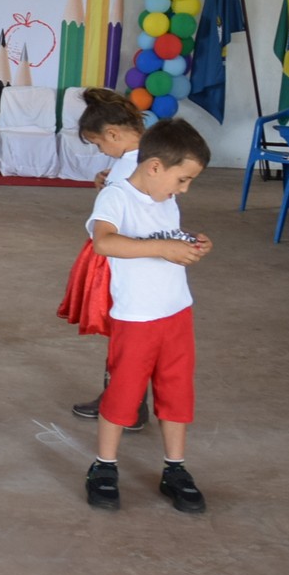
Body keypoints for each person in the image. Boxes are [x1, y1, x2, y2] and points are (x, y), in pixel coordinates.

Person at [81, 118, 213, 515]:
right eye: (182, 180)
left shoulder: (164, 199)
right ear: (155, 166)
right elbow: (103, 241)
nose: (183, 190)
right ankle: (104, 466)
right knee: (123, 392)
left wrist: (189, 241)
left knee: (176, 393)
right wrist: (161, 248)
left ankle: (175, 468)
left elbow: (166, 241)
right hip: (136, 318)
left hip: (176, 312)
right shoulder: (116, 196)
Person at [66, 89, 150, 427]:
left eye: (100, 145)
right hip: (122, 256)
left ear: (113, 134)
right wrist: (108, 180)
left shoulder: (140, 166)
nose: (102, 152)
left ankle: (125, 403)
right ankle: (122, 398)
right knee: (122, 333)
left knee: (124, 333)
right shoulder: (138, 159)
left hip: (121, 258)